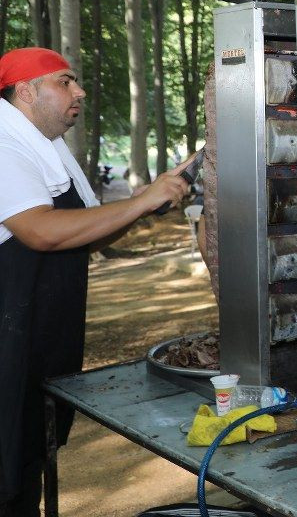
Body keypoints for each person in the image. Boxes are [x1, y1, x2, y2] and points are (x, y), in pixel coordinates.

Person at [0, 47, 191, 516]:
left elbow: (85, 230)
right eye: (64, 81)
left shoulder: (48, 148)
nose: (79, 91)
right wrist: (140, 203)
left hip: (41, 337)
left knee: (28, 460)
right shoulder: (4, 146)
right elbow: (40, 231)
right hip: (8, 340)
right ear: (26, 91)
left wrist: (147, 199)